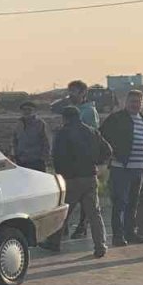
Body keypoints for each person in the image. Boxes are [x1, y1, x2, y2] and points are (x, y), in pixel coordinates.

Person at [49, 106, 111, 257]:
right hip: (90, 176)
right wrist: (96, 162)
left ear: (65, 118)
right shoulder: (91, 131)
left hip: (71, 178)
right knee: (94, 213)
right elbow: (108, 150)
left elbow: (57, 156)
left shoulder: (63, 133)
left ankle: (54, 242)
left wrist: (60, 174)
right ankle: (100, 245)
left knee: (64, 211)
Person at [100, 89, 143, 247]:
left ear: (142, 104)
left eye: (138, 102)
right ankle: (118, 236)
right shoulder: (116, 118)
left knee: (133, 202)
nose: (135, 105)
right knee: (120, 203)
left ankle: (130, 233)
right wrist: (112, 155)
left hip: (140, 168)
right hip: (121, 167)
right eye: (132, 101)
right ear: (126, 102)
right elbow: (101, 137)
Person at [65, 80, 100, 239]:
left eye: (74, 91)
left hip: (84, 162)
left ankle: (82, 226)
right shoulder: (70, 110)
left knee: (87, 200)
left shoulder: (89, 112)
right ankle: (63, 227)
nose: (71, 94)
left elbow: (92, 136)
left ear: (83, 93)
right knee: (69, 197)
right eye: (70, 91)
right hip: (70, 161)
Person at [11, 101, 50, 172]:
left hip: (36, 160)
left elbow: (46, 141)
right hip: (21, 160)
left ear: (34, 111)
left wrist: (44, 157)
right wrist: (14, 154)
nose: (26, 111)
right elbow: (14, 140)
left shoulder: (40, 124)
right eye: (24, 109)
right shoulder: (18, 124)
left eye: (29, 109)